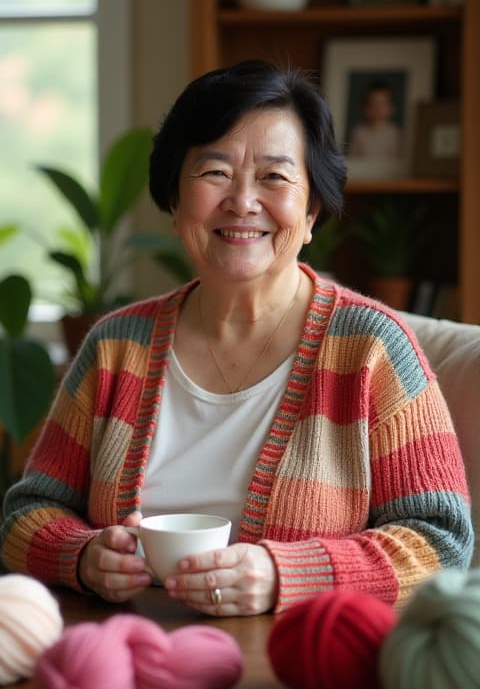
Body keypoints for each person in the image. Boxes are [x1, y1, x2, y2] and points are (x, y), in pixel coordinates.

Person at [0, 60, 473, 617]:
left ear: (313, 208)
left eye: (275, 177)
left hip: (292, 665)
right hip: (119, 656)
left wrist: (283, 574)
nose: (243, 202)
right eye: (214, 173)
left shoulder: (373, 349)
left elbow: (442, 542)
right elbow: (28, 511)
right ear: (175, 202)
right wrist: (81, 556)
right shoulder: (115, 346)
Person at [348, 80, 402, 159]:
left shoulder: (395, 134)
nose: (377, 109)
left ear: (392, 108)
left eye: (382, 104)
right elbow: (352, 160)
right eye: (372, 104)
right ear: (365, 108)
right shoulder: (359, 132)